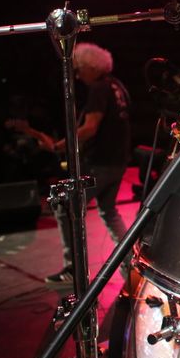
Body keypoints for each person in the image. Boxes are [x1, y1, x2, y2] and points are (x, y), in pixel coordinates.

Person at [38, 42, 132, 284]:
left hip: (99, 162)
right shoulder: (117, 85)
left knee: (64, 205)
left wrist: (60, 146)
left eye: (79, 70)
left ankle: (73, 267)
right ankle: (130, 262)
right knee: (108, 211)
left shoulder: (99, 89)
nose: (77, 76)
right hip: (118, 160)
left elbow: (90, 128)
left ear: (92, 67)